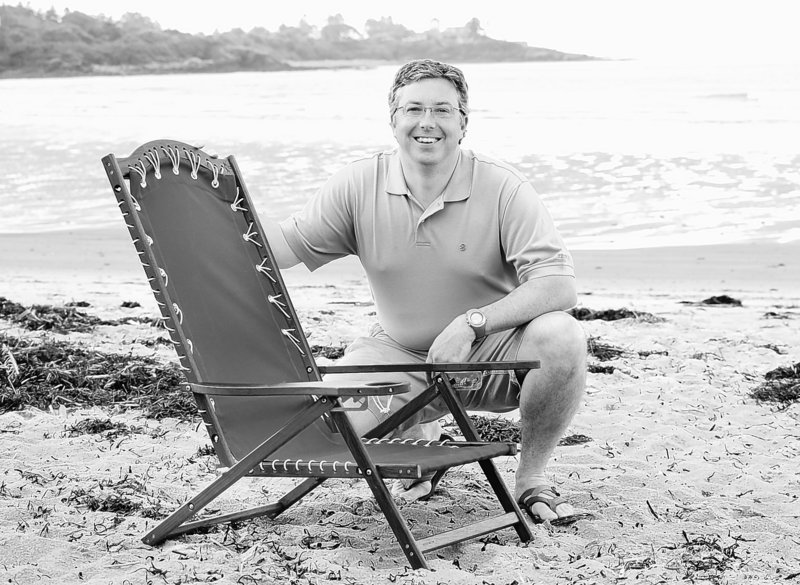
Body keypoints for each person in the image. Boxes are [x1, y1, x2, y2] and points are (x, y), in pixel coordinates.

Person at [266, 59, 586, 522]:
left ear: (463, 122)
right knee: (320, 433)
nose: (427, 122)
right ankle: (428, 439)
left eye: (442, 109)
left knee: (563, 336)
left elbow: (558, 286)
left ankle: (531, 480)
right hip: (397, 356)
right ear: (393, 119)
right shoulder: (359, 182)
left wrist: (473, 324)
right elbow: (285, 249)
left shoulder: (504, 187)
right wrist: (218, 218)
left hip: (492, 358)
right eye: (413, 108)